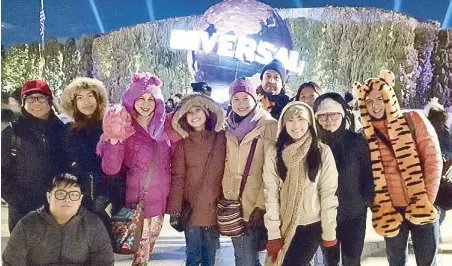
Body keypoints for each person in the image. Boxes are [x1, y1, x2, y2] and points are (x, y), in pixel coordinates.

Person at [354, 70, 442, 266]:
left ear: (388, 97)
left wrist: (427, 199)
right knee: (395, 261)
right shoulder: (364, 136)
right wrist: (375, 204)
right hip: (391, 211)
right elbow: (364, 174)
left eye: (379, 99)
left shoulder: (413, 120)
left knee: (427, 261)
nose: (375, 105)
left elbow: (432, 159)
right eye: (368, 101)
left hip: (422, 202)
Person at [97, 73, 171, 265]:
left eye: (150, 99)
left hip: (160, 201)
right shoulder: (124, 125)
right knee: (140, 253)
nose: (146, 104)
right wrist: (114, 139)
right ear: (132, 99)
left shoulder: (163, 127)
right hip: (138, 202)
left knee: (147, 250)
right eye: (141, 98)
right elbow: (111, 168)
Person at [263, 101, 338, 266]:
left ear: (310, 122)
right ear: (283, 124)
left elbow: (328, 193)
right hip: (284, 224)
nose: (296, 125)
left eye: (301, 119)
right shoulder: (274, 152)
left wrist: (329, 231)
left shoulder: (321, 151)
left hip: (310, 226)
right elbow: (271, 193)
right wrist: (273, 233)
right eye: (290, 120)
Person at [222, 77, 278, 266]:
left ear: (254, 99)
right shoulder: (227, 126)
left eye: (246, 98)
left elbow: (273, 170)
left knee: (247, 259)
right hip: (233, 204)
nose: (241, 104)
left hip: (254, 204)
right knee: (243, 257)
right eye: (236, 99)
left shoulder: (269, 125)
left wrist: (261, 206)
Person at [313, 93, 374, 266]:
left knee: (352, 260)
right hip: (323, 215)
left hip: (354, 214)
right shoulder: (312, 145)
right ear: (316, 118)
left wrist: (367, 199)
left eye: (333, 114)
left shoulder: (357, 142)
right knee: (329, 261)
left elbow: (368, 175)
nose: (328, 120)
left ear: (343, 115)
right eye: (323, 115)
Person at [2, 173, 114, 265]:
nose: (67, 199)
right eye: (61, 194)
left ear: (80, 199)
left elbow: (104, 263)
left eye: (74, 194)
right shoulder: (27, 225)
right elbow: (11, 263)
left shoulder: (93, 225)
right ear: (49, 196)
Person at [167, 93, 226, 266]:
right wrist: (175, 208)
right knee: (193, 256)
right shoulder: (183, 143)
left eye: (198, 110)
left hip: (215, 208)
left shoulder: (221, 138)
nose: (194, 115)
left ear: (207, 112)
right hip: (191, 209)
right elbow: (178, 176)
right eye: (189, 112)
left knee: (210, 257)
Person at [1, 80, 68, 233]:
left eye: (41, 97)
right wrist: (19, 201)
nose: (36, 102)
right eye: (30, 98)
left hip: (59, 212)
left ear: (50, 101)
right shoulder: (11, 134)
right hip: (23, 215)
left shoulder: (64, 132)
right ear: (23, 102)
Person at [60, 77, 113, 216]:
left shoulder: (110, 128)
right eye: (80, 98)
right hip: (77, 200)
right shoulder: (67, 131)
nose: (86, 102)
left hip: (108, 200)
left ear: (98, 99)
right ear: (73, 103)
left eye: (90, 96)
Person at [424, 97, 452, 226]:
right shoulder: (424, 134)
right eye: (437, 121)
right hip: (427, 177)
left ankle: (435, 231)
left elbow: (450, 157)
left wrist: (443, 172)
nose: (440, 125)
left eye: (442, 121)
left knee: (441, 206)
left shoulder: (447, 135)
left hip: (441, 178)